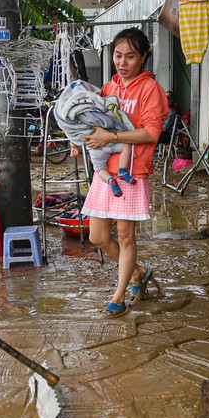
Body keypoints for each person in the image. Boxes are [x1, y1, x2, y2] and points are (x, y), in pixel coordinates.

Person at [78, 28, 169, 317]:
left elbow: (152, 133)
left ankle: (120, 295)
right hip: (105, 174)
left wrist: (112, 138)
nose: (123, 62)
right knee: (97, 237)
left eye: (130, 56)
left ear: (143, 57)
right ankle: (139, 270)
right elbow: (95, 121)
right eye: (118, 55)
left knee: (127, 237)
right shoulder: (108, 88)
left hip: (133, 173)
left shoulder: (150, 90)